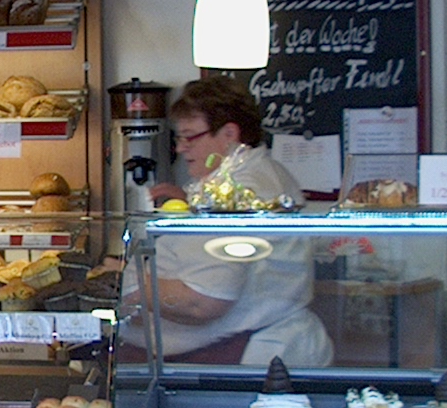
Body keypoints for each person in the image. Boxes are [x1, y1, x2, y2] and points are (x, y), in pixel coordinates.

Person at [120, 76, 332, 367]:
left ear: (229, 134)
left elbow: (202, 302)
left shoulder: (240, 192)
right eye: (178, 138)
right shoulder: (251, 177)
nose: (180, 148)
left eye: (189, 137)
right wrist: (189, 203)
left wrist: (126, 287)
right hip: (246, 348)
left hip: (239, 360)